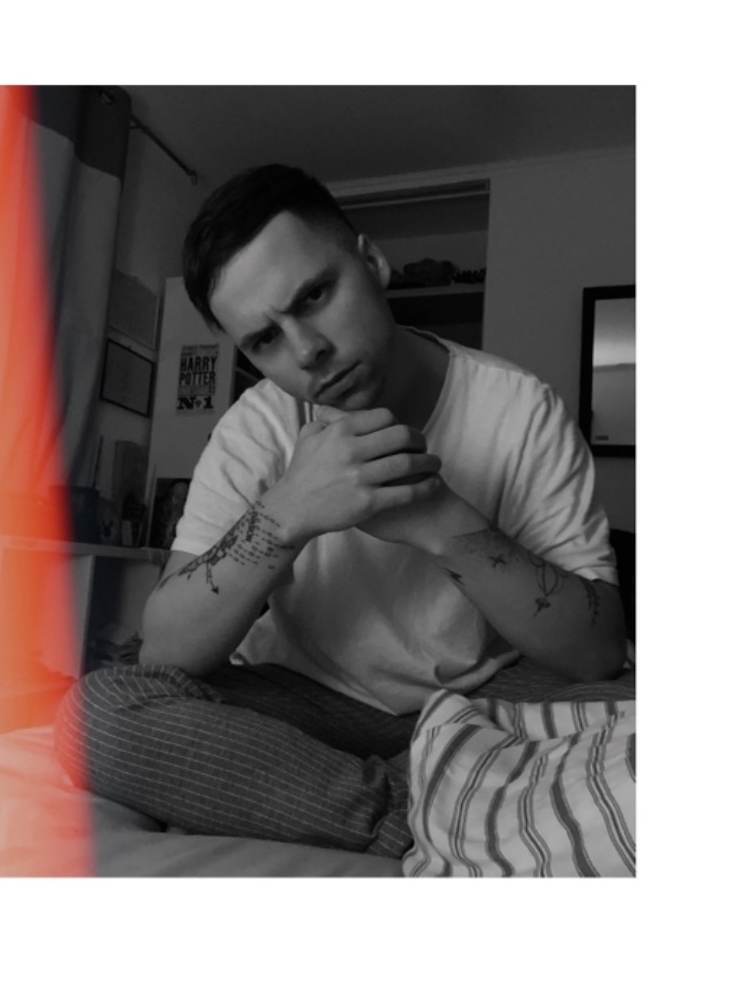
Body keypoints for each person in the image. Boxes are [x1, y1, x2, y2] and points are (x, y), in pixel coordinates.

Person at [54, 164, 627, 859]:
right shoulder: (255, 428)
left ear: (372, 262)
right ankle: (421, 811)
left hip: (481, 697)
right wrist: (286, 514)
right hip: (304, 700)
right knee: (97, 713)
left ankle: (376, 792)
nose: (308, 351)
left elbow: (596, 652)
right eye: (265, 341)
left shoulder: (520, 407)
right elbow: (168, 650)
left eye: (316, 296)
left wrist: (440, 521)